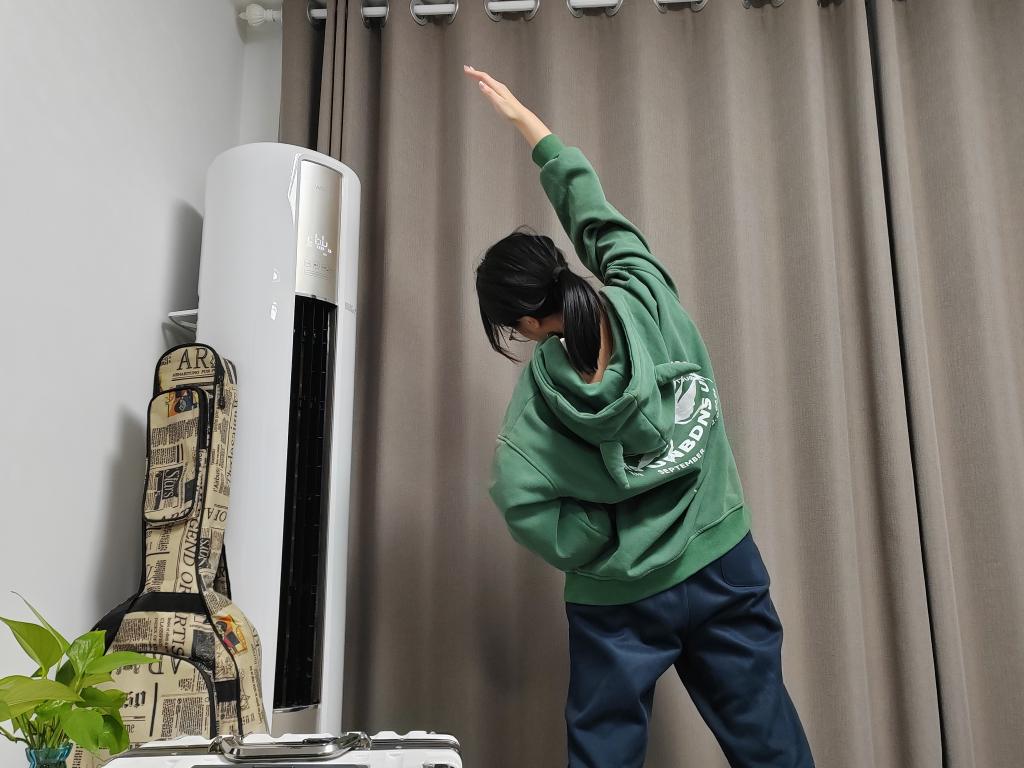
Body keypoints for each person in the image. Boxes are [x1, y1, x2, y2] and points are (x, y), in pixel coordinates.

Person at [464, 65, 815, 768]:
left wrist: (599, 538)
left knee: (604, 759)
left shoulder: (538, 399)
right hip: (722, 562)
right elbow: (597, 217)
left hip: (618, 598)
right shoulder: (648, 294)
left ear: (526, 323)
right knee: (772, 749)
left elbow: (519, 497)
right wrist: (534, 132)